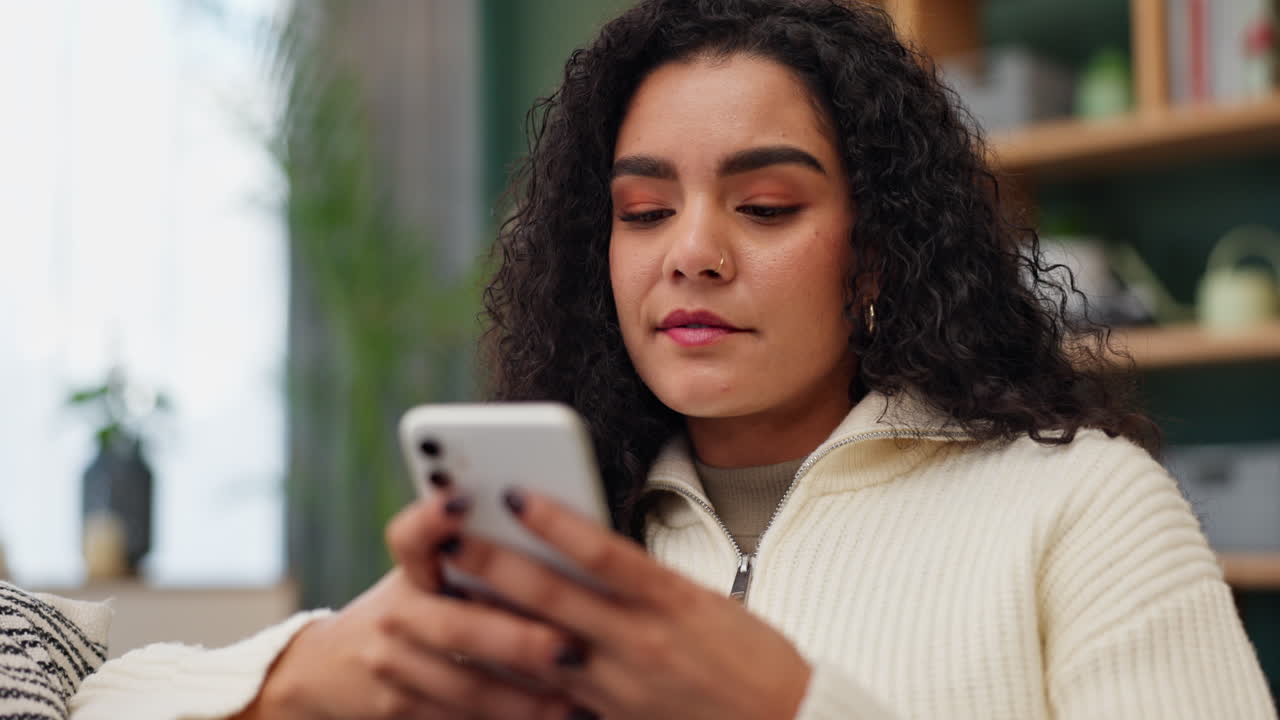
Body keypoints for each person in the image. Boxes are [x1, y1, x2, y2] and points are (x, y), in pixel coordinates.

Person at [72, 0, 1276, 718]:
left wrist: (786, 706)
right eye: (643, 213)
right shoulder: (563, 532)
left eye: (761, 208)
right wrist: (313, 676)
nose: (688, 254)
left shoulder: (1080, 507)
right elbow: (84, 694)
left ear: (873, 257)